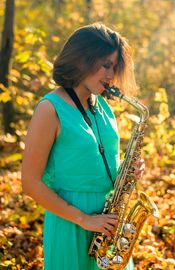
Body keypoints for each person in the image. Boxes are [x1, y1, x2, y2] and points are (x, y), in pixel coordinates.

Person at [21, 22, 145, 270]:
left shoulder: (103, 107)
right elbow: (30, 182)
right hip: (71, 225)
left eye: (114, 66)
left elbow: (93, 164)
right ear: (82, 60)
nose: (111, 75)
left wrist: (127, 171)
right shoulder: (49, 109)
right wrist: (84, 220)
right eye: (106, 65)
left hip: (108, 225)